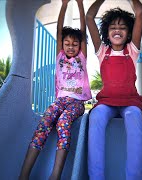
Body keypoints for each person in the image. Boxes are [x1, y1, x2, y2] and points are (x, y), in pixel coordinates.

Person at [19, 0, 91, 179]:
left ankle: (55, 175)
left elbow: (83, 30)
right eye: (67, 43)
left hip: (76, 102)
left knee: (63, 122)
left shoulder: (81, 58)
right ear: (62, 45)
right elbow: (59, 30)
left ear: (80, 46)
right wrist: (64, 5)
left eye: (75, 44)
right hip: (59, 101)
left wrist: (80, 5)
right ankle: (24, 174)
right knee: (43, 124)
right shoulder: (59, 57)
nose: (71, 46)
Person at [86, 0, 142, 179]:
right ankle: (96, 176)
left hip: (130, 102)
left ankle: (134, 177)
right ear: (106, 32)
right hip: (107, 103)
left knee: (133, 116)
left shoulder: (132, 50)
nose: (117, 30)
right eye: (113, 27)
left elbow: (141, 13)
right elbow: (89, 17)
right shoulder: (102, 51)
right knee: (96, 116)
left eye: (122, 27)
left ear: (129, 32)